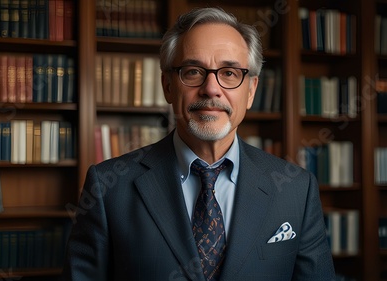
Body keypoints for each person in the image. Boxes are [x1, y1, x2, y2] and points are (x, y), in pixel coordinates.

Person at [61, 7, 335, 281]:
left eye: (229, 73)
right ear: (168, 85)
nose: (211, 88)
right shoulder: (108, 187)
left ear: (250, 91)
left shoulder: (296, 190)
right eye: (193, 71)